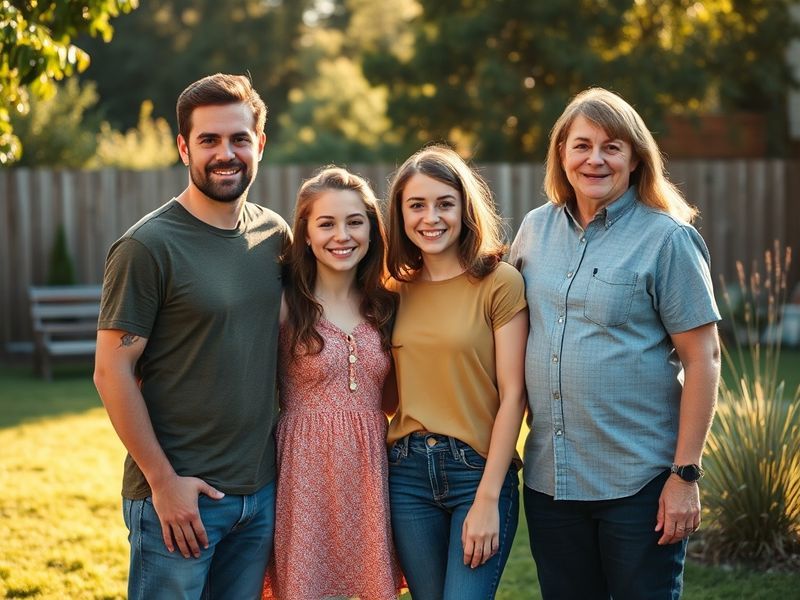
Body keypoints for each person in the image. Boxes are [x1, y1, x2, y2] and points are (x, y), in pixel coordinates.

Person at [509, 87, 721, 599]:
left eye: (612, 146)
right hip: (550, 483)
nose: (595, 159)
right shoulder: (535, 230)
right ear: (562, 153)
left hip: (639, 485)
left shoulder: (667, 239)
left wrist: (685, 476)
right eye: (582, 145)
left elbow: (704, 358)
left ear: (634, 157)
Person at [93, 73, 290, 600]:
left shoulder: (275, 234)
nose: (226, 153)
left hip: (258, 494)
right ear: (184, 147)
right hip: (178, 501)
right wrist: (162, 482)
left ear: (260, 144)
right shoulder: (147, 246)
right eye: (208, 140)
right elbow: (111, 372)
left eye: (238, 138)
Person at [385, 145, 528, 600]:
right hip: (406, 474)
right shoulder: (393, 289)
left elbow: (514, 395)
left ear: (465, 209)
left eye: (445, 203)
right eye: (417, 205)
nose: (432, 217)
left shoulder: (499, 282)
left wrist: (487, 499)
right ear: (401, 215)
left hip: (477, 471)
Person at [262, 167, 403, 600]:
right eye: (326, 223)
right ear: (305, 233)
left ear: (371, 230)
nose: (342, 235)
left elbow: (396, 396)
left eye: (354, 221)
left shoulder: (386, 303)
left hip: (369, 470)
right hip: (303, 471)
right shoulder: (285, 305)